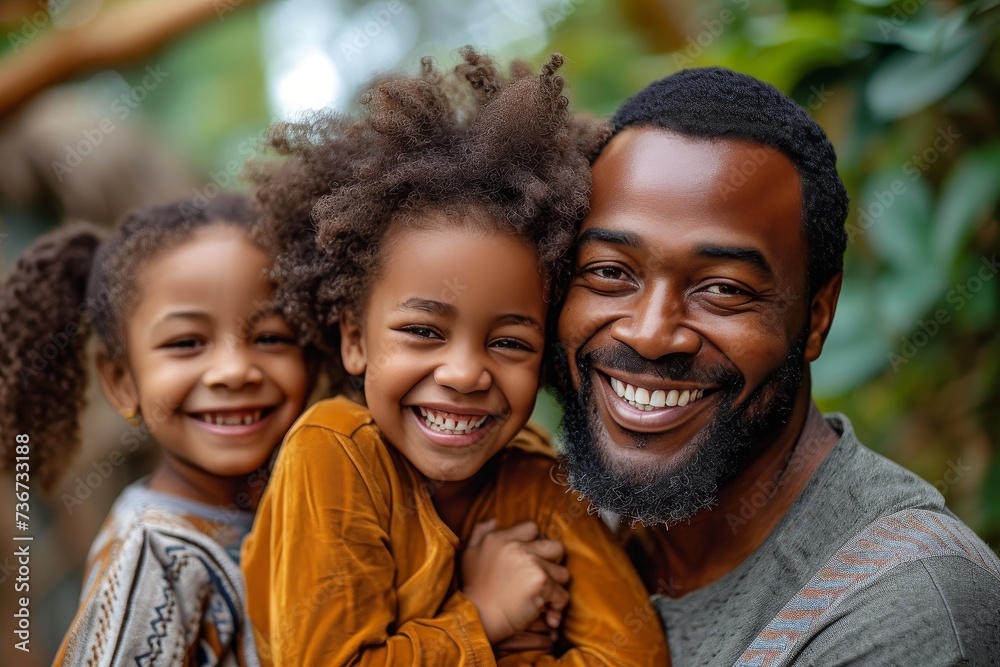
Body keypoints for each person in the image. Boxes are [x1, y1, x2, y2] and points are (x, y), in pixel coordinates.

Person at [552, 66, 1000, 665]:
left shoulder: (903, 607)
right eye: (609, 272)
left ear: (816, 317)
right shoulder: (541, 522)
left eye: (722, 289)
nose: (651, 333)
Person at [240, 48, 668, 666]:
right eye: (423, 331)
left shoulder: (535, 483)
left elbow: (633, 658)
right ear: (355, 339)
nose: (466, 374)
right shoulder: (333, 453)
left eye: (510, 343)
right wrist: (485, 618)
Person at [0, 194, 312, 666]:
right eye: (187, 343)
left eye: (270, 337)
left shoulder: (304, 507)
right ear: (122, 381)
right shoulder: (154, 558)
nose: (234, 370)